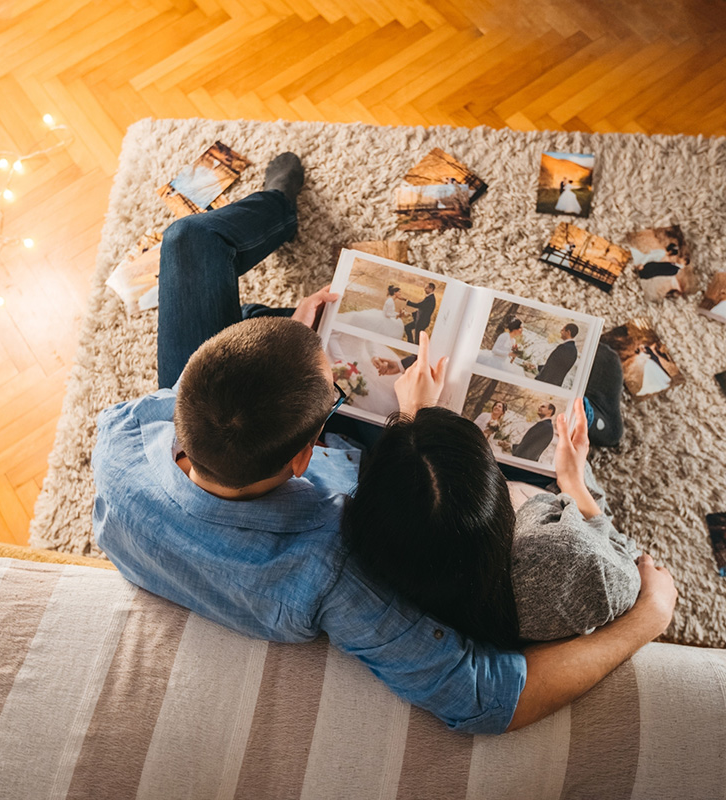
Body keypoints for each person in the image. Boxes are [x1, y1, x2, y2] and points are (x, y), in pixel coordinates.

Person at [93, 152, 677, 736]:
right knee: (587, 385)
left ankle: (276, 214)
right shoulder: (331, 567)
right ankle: (596, 414)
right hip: (370, 476)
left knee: (190, 236)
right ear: (308, 454)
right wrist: (646, 619)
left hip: (222, 441)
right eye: (332, 385)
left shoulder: (121, 435)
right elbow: (481, 697)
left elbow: (200, 402)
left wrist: (291, 341)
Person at [342, 343, 674, 647]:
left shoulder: (380, 544)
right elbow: (625, 560)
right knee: (605, 360)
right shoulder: (567, 559)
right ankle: (599, 420)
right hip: (558, 485)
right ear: (499, 502)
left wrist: (417, 413)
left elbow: (422, 489)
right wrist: (574, 483)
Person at [339, 284, 405, 339]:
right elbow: (387, 314)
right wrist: (398, 315)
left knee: (398, 323)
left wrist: (398, 314)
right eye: (399, 292)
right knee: (397, 325)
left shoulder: (391, 300)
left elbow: (389, 312)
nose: (400, 293)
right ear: (395, 293)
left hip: (384, 316)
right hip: (384, 318)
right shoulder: (390, 301)